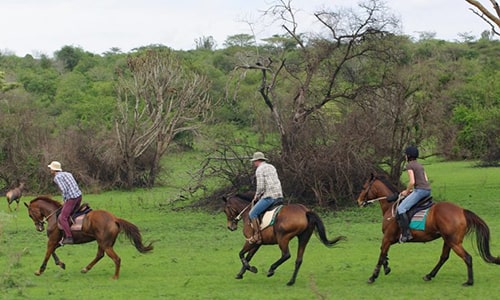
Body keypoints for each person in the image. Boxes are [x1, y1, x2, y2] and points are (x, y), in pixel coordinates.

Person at [396, 146, 431, 243]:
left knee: (401, 209)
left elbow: (412, 181)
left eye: (406, 155)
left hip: (420, 190)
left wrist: (406, 192)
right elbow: (426, 180)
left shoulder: (410, 166)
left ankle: (406, 234)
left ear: (408, 156)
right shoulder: (420, 165)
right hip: (427, 190)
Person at [248, 151, 283, 244]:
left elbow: (261, 186)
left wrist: (257, 196)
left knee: (252, 214)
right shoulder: (272, 167)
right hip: (279, 195)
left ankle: (257, 236)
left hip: (269, 197)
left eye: (254, 161)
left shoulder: (259, 170)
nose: (254, 163)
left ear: (257, 161)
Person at [48, 161, 82, 245]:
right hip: (78, 196)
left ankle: (69, 237)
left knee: (62, 217)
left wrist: (64, 200)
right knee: (71, 214)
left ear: (54, 169)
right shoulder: (68, 173)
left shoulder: (57, 177)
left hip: (71, 198)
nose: (50, 170)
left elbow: (64, 190)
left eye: (51, 168)